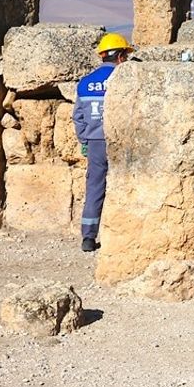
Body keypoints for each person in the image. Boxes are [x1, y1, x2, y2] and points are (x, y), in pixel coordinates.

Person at [72, 32, 133, 252]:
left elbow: (78, 117)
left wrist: (85, 140)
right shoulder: (125, 80)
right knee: (126, 186)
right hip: (121, 141)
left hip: (96, 142)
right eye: (125, 55)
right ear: (119, 56)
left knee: (95, 187)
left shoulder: (85, 83)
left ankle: (88, 237)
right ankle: (124, 234)